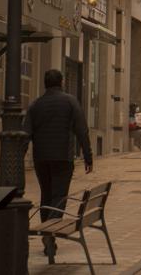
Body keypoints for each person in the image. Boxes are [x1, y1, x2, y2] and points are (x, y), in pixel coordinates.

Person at [24, 69, 93, 264]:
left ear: (45, 84)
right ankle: (49, 234)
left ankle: (48, 235)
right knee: (59, 196)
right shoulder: (70, 101)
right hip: (62, 158)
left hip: (41, 159)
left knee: (46, 195)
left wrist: (19, 159)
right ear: (61, 82)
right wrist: (88, 157)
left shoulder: (35, 104)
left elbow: (26, 132)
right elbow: (82, 130)